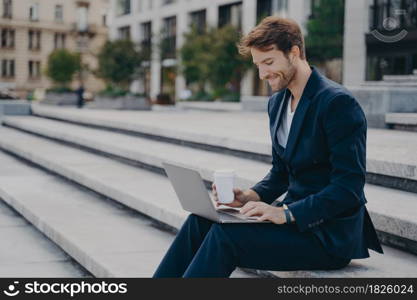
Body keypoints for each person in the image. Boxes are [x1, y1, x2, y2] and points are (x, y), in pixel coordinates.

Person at [153, 16, 383, 278]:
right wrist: (249, 196)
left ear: (294, 53)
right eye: (258, 65)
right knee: (201, 220)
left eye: (269, 62)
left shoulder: (336, 103)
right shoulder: (277, 103)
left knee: (224, 237)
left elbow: (348, 188)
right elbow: (281, 173)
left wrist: (286, 213)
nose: (263, 74)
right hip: (293, 224)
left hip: (327, 236)